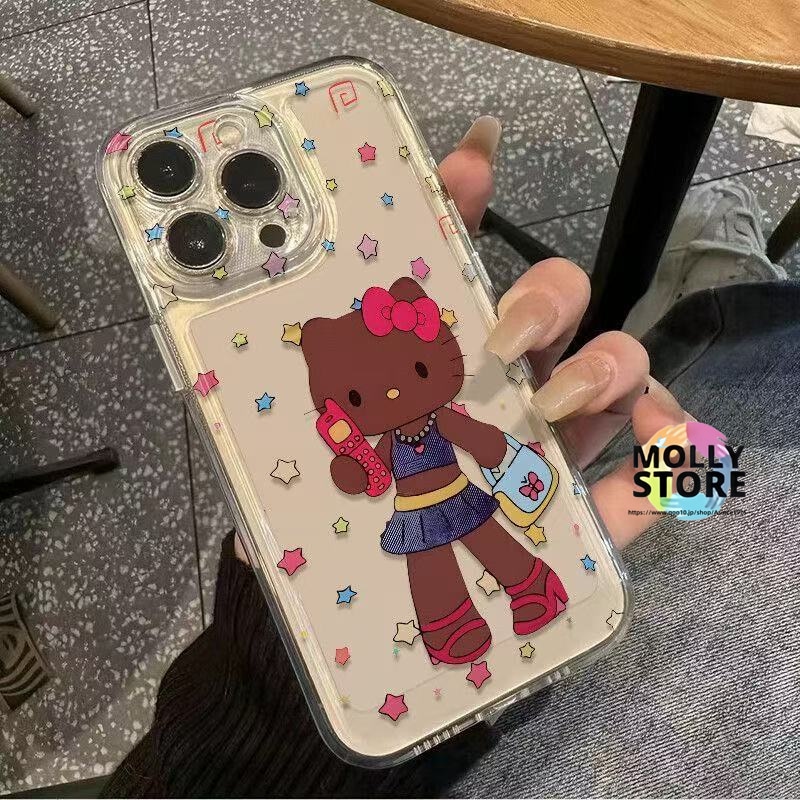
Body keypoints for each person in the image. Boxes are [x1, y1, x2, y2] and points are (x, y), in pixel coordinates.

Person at [104, 118, 799, 798]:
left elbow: (480, 438)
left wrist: (262, 678)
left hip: (446, 517)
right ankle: (729, 299)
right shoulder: (381, 437)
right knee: (739, 430)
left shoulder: (449, 416)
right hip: (419, 526)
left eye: (413, 367)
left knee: (525, 535)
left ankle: (723, 308)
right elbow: (363, 477)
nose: (393, 393)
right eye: (359, 393)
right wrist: (343, 472)